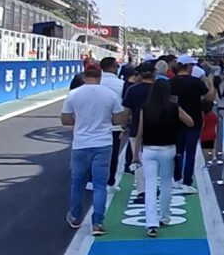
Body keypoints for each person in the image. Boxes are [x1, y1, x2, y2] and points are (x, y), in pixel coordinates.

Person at [61, 66, 129, 236]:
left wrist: (79, 122)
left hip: (81, 143)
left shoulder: (74, 94)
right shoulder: (109, 94)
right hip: (103, 143)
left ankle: (75, 216)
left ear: (84, 76)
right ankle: (97, 223)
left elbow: (65, 119)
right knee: (100, 185)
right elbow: (119, 118)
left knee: (78, 183)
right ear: (100, 76)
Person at [131, 79, 193, 238]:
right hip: (168, 149)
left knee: (150, 185)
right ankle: (165, 216)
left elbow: (139, 134)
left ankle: (151, 223)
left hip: (149, 150)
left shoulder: (145, 107)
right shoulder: (173, 107)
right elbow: (191, 123)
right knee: (166, 183)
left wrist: (134, 156)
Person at [169, 56, 215, 194]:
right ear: (188, 67)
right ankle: (187, 181)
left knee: (177, 151)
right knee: (190, 152)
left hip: (175, 120)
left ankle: (176, 178)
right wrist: (211, 83)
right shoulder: (196, 82)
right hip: (194, 121)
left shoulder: (171, 82)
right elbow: (210, 97)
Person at [122, 63, 157, 202]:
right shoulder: (159, 89)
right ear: (154, 72)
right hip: (157, 128)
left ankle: (141, 190)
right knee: (155, 160)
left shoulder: (132, 90)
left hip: (136, 128)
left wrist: (123, 126)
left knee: (138, 160)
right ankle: (153, 186)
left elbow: (126, 111)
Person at [93, 57, 125, 190]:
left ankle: (93, 178)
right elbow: (124, 105)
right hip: (114, 125)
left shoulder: (95, 83)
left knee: (95, 153)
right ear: (113, 67)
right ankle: (110, 180)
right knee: (113, 153)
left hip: (94, 123)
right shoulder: (122, 84)